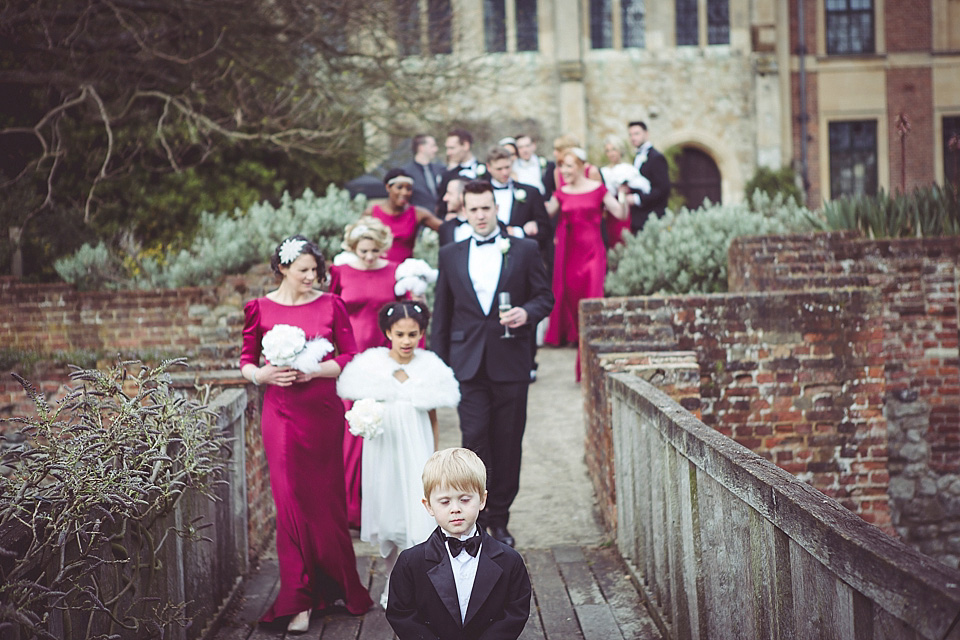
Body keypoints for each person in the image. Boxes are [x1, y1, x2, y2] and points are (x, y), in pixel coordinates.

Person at [240, 235, 373, 633]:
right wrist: (261, 375)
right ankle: (298, 600)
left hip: (322, 412)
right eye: (303, 271)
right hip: (280, 414)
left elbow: (349, 355)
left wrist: (315, 370)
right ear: (282, 268)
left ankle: (339, 588)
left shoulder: (332, 304)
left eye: (316, 271)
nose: (312, 278)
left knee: (327, 504)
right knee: (291, 503)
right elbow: (246, 360)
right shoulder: (258, 307)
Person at [431, 181, 553, 548]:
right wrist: (439, 367)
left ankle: (501, 519)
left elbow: (545, 297)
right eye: (474, 209)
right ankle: (477, 521)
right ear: (464, 211)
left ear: (496, 207)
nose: (481, 215)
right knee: (475, 441)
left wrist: (525, 313)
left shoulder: (525, 249)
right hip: (467, 363)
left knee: (508, 442)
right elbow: (443, 313)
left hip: (511, 361)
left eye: (487, 208)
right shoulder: (450, 253)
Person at [337, 301, 461, 609]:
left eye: (413, 334)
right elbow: (360, 410)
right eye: (400, 334)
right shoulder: (371, 367)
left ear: (422, 334)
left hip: (416, 450)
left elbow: (432, 417)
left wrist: (434, 456)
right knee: (390, 514)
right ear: (387, 333)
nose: (407, 341)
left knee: (416, 516)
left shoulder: (429, 367)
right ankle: (394, 582)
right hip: (384, 452)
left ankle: (419, 585)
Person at [386, 448, 531, 640]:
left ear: (482, 500)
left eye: (464, 499)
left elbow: (515, 612)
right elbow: (402, 613)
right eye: (444, 502)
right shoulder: (410, 562)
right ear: (428, 505)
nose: (455, 509)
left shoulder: (509, 561)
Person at [329, 217, 400, 528]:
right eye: (363, 250)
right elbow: (329, 310)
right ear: (353, 248)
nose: (369, 256)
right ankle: (350, 509)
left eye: (374, 250)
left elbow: (405, 315)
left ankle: (381, 506)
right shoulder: (340, 272)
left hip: (384, 356)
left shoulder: (396, 270)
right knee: (352, 433)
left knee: (384, 429)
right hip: (350, 357)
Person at [544, 148, 626, 380]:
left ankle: (590, 367)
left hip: (593, 254)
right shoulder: (561, 193)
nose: (564, 171)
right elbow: (545, 214)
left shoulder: (598, 189)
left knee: (592, 304)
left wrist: (623, 193)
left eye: (569, 165)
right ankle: (586, 362)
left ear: (581, 166)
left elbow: (619, 213)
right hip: (570, 256)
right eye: (561, 166)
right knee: (575, 308)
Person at [366, 168, 442, 263]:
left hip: (404, 272)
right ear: (388, 187)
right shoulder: (372, 212)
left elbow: (446, 229)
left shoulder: (418, 213)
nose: (404, 192)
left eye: (408, 189)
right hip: (378, 270)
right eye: (399, 187)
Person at [621, 120, 671, 233]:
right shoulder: (637, 156)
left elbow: (663, 189)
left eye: (636, 133)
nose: (633, 138)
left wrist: (636, 199)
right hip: (638, 218)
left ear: (646, 134)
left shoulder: (656, 158)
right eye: (630, 135)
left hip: (652, 218)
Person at [600, 134, 641, 247]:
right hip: (607, 213)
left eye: (614, 149)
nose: (611, 153)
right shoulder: (603, 172)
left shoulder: (628, 170)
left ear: (620, 151)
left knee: (623, 239)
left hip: (624, 209)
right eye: (608, 150)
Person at [436, 128, 487, 219]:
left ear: (465, 146)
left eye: (452, 148)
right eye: (447, 148)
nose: (448, 153)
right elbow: (442, 208)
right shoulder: (447, 175)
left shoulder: (486, 170)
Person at [401, 134, 445, 213]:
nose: (436, 149)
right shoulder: (406, 172)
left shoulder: (441, 169)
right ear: (421, 147)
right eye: (433, 146)